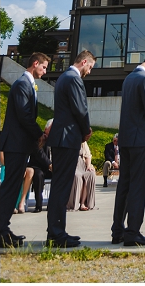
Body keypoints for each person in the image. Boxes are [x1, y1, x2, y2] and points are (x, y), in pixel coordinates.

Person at [46, 50, 96, 248]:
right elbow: (80, 108)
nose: (89, 72)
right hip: (67, 139)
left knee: (60, 186)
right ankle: (57, 234)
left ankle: (56, 231)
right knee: (62, 187)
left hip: (61, 138)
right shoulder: (73, 79)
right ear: (84, 61)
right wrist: (86, 131)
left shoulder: (63, 78)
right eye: (90, 67)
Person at [1, 52, 50, 245]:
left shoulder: (28, 84)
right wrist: (40, 134)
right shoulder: (22, 84)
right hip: (15, 144)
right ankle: (1, 231)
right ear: (35, 63)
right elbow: (24, 115)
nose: (45, 71)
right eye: (44, 67)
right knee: (10, 187)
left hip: (19, 145)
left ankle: (4, 228)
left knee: (13, 187)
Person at [19, 121, 53, 214]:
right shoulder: (39, 137)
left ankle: (53, 204)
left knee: (60, 175)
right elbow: (40, 154)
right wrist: (50, 164)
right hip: (37, 166)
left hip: (50, 167)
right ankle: (38, 205)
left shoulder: (56, 139)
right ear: (46, 129)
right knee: (38, 175)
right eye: (51, 128)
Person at [67, 141, 97, 211]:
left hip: (83, 164)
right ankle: (74, 203)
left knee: (90, 174)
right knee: (77, 176)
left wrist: (88, 165)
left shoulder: (83, 142)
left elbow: (88, 155)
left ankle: (83, 203)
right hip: (72, 165)